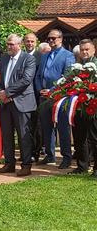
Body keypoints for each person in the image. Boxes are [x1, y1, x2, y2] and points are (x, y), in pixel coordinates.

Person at [0, 34, 36, 176]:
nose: (9, 47)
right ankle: (9, 163)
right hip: (6, 103)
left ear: (19, 44)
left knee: (23, 135)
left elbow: (26, 80)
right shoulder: (5, 58)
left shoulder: (28, 59)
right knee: (7, 134)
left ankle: (26, 165)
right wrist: (1, 92)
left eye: (12, 44)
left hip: (22, 102)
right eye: (7, 44)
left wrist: (8, 93)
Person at [35, 29, 75, 168]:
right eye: (49, 39)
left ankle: (66, 157)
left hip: (60, 97)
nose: (51, 41)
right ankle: (49, 155)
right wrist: (40, 89)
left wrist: (52, 90)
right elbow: (39, 75)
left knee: (62, 128)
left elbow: (68, 77)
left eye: (53, 38)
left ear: (61, 39)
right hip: (44, 97)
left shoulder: (68, 56)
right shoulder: (45, 56)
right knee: (46, 128)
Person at [70, 39, 97, 175]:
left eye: (87, 49)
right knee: (80, 137)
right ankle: (82, 166)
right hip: (80, 106)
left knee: (94, 137)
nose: (84, 52)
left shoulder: (95, 64)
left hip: (94, 106)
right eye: (82, 50)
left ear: (93, 50)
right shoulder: (77, 66)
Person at [23, 33, 42, 162]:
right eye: (27, 41)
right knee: (25, 126)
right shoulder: (21, 56)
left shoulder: (40, 57)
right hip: (22, 96)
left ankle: (35, 152)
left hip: (35, 94)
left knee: (36, 125)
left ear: (36, 42)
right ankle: (26, 152)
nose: (30, 44)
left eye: (32, 41)